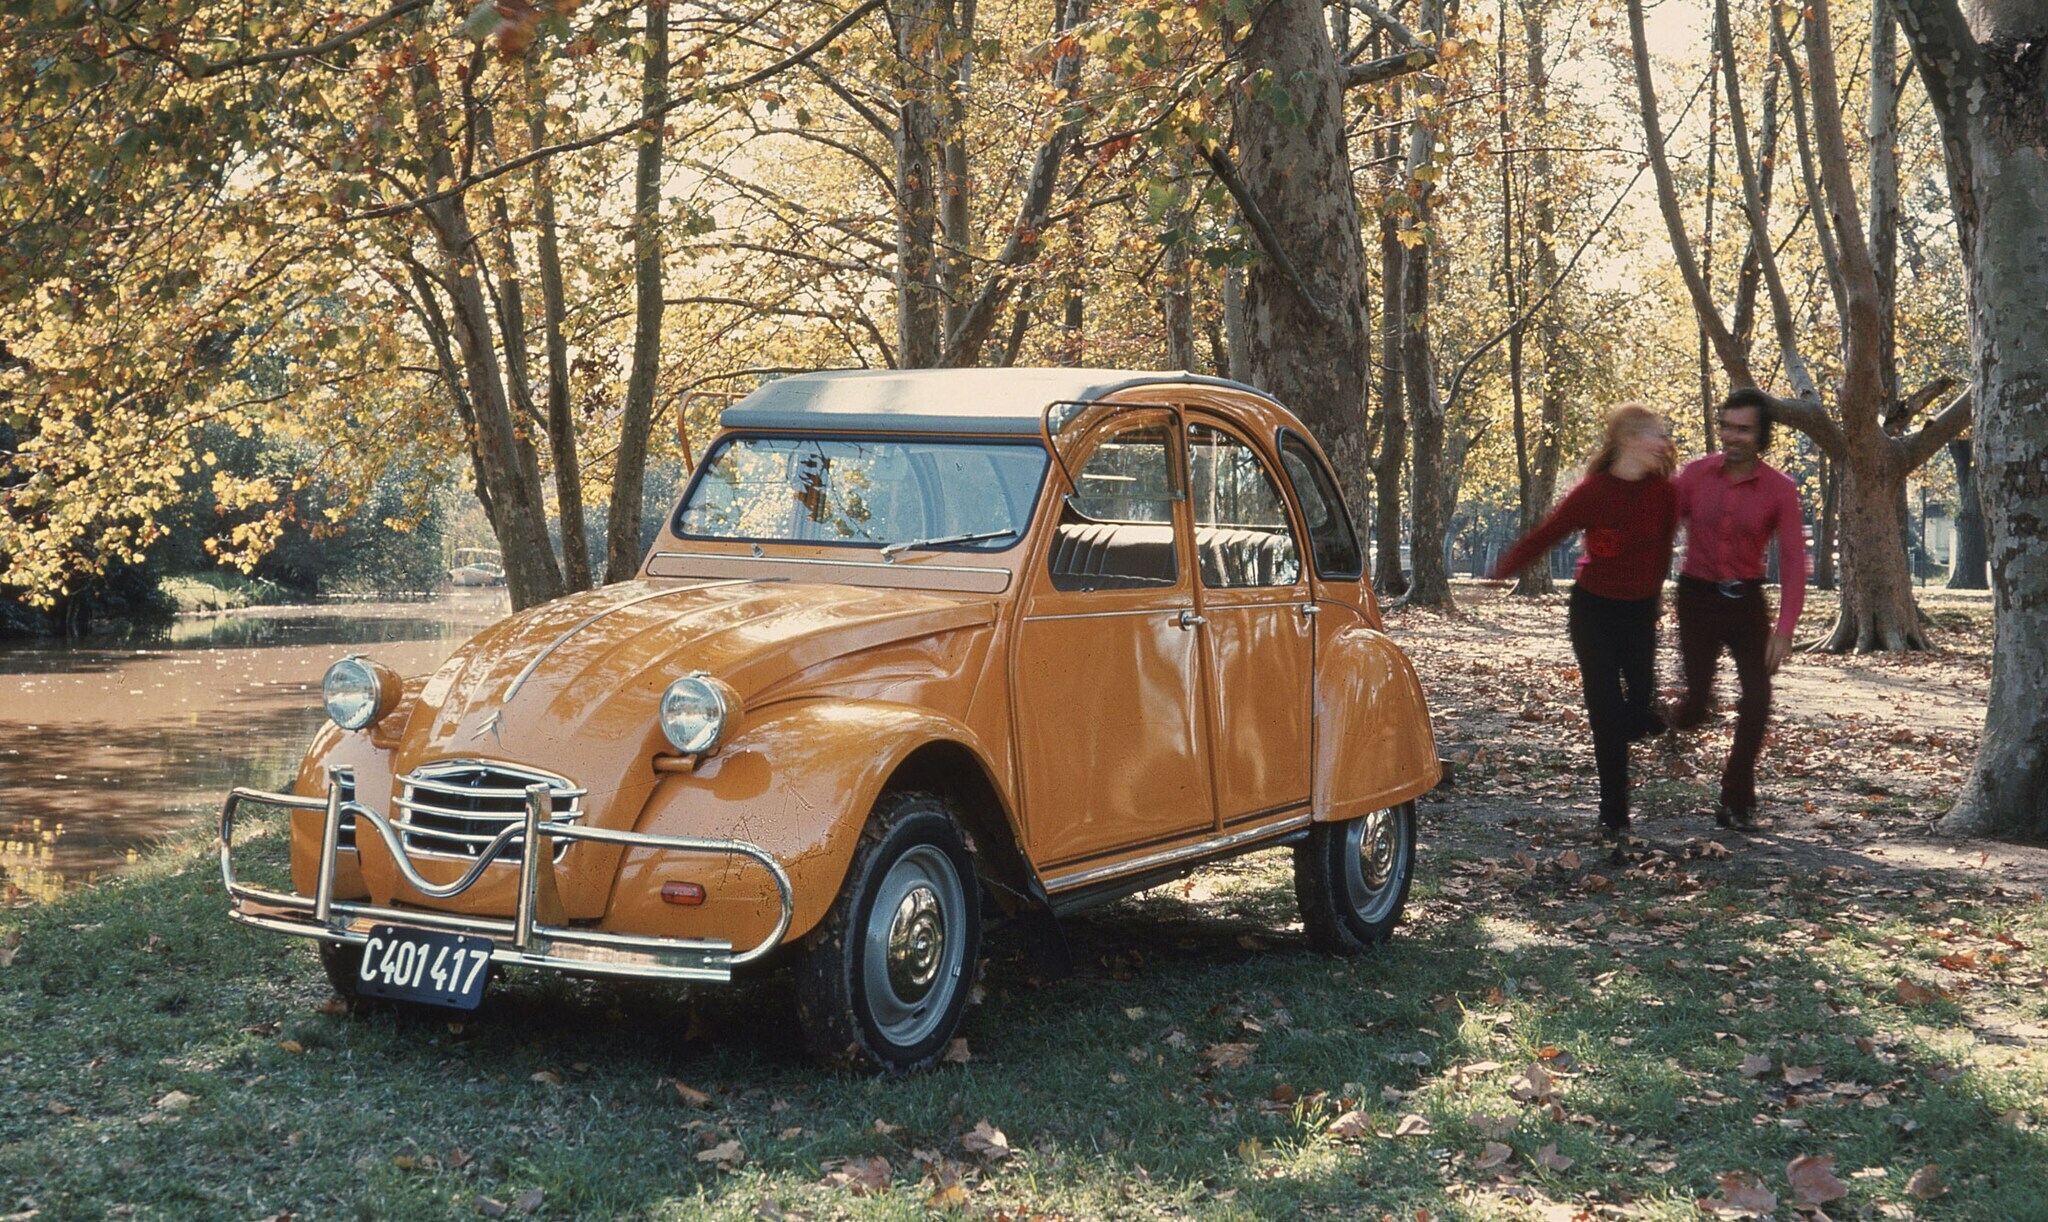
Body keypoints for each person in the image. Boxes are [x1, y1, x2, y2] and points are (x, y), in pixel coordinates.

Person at [1492, 403, 1678, 846]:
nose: (1663, 443)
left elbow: (1664, 553)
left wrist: (1654, 602)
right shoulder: (1593, 492)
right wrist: (1505, 568)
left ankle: (1637, 720)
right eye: (1656, 434)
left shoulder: (1665, 494)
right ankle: (1614, 814)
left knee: (1639, 707)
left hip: (1638, 612)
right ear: (1629, 440)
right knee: (1605, 713)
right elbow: (1549, 532)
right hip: (1593, 611)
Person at [1667, 388, 1809, 830]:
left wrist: (1784, 630)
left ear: (1761, 435)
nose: (1732, 436)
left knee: (1757, 698)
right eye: (1727, 426)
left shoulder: (1780, 489)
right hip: (1696, 599)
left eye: (1743, 429)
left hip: (1746, 601)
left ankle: (1736, 799)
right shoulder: (1694, 475)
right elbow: (1659, 527)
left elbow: (1792, 561)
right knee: (1696, 705)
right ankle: (1670, 721)